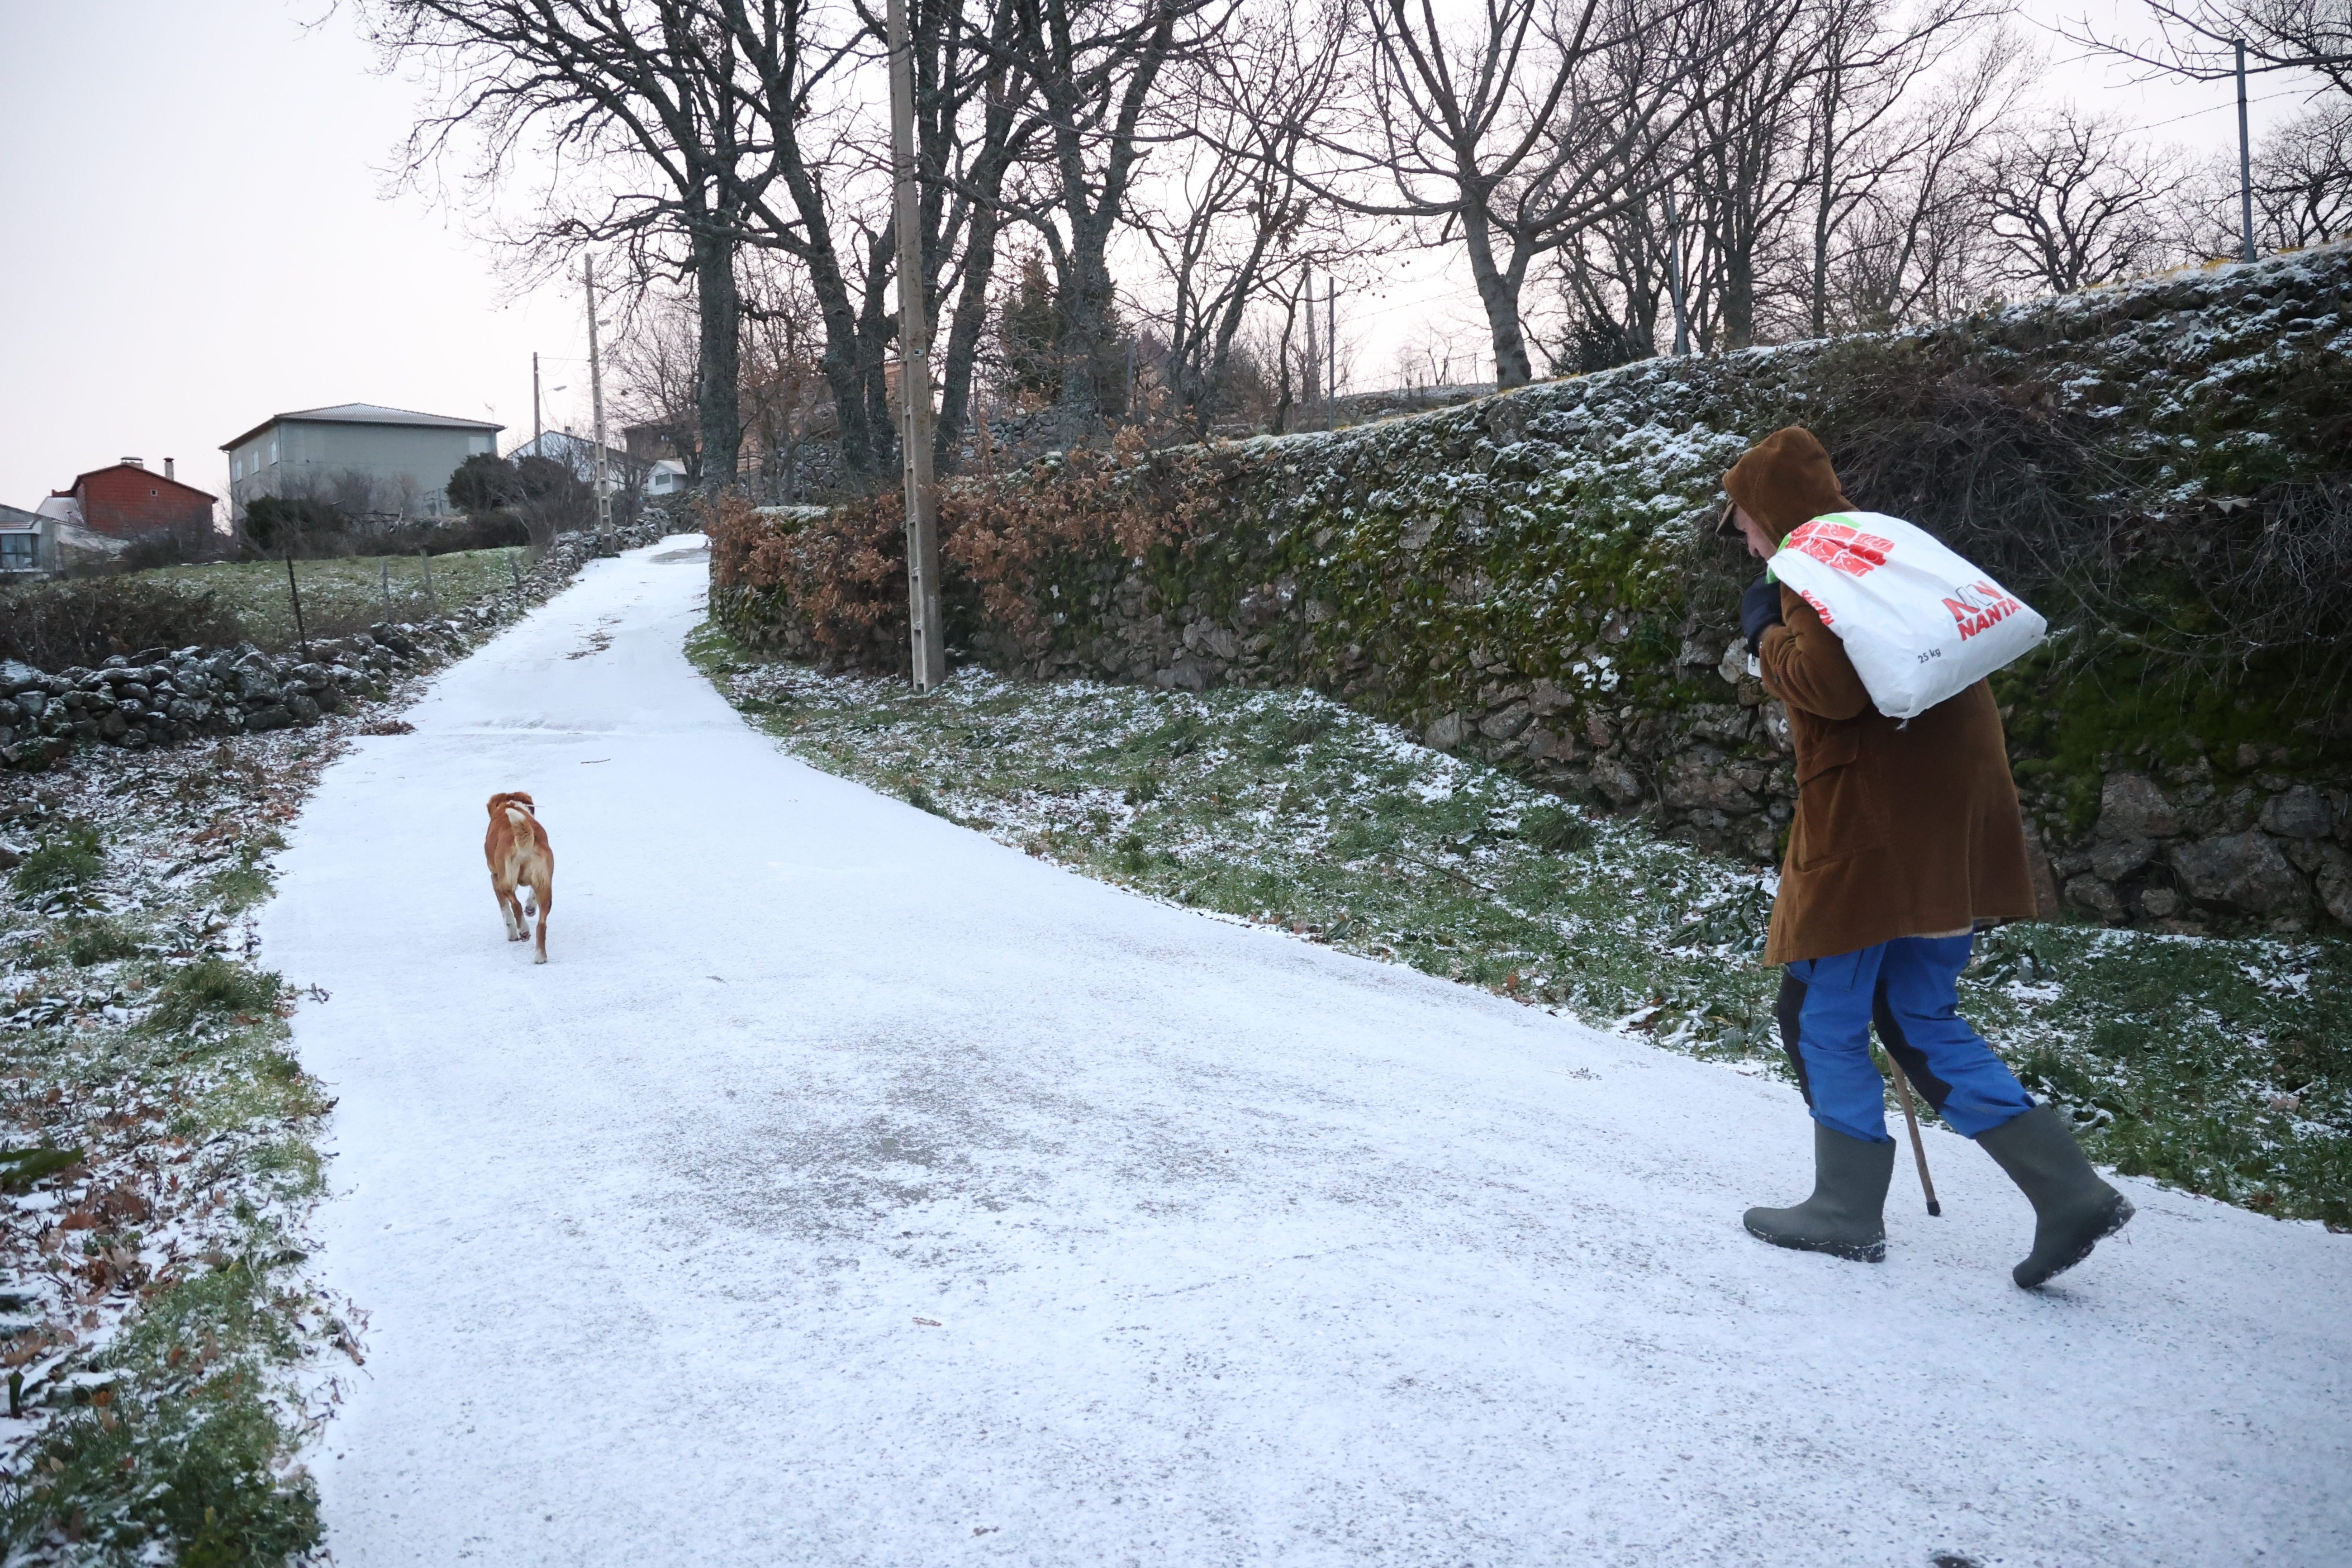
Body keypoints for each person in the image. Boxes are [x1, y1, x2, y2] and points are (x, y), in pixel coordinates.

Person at [1720, 426, 2132, 1288]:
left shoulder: (1810, 567)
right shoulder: (1881, 547)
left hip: (1872, 831)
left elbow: (1830, 688)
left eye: (1745, 522)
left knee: (1818, 1011)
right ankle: (2069, 1191)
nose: (1745, 541)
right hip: (1955, 822)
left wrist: (1764, 632)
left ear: (1768, 512)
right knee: (1915, 1013)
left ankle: (1845, 1210)